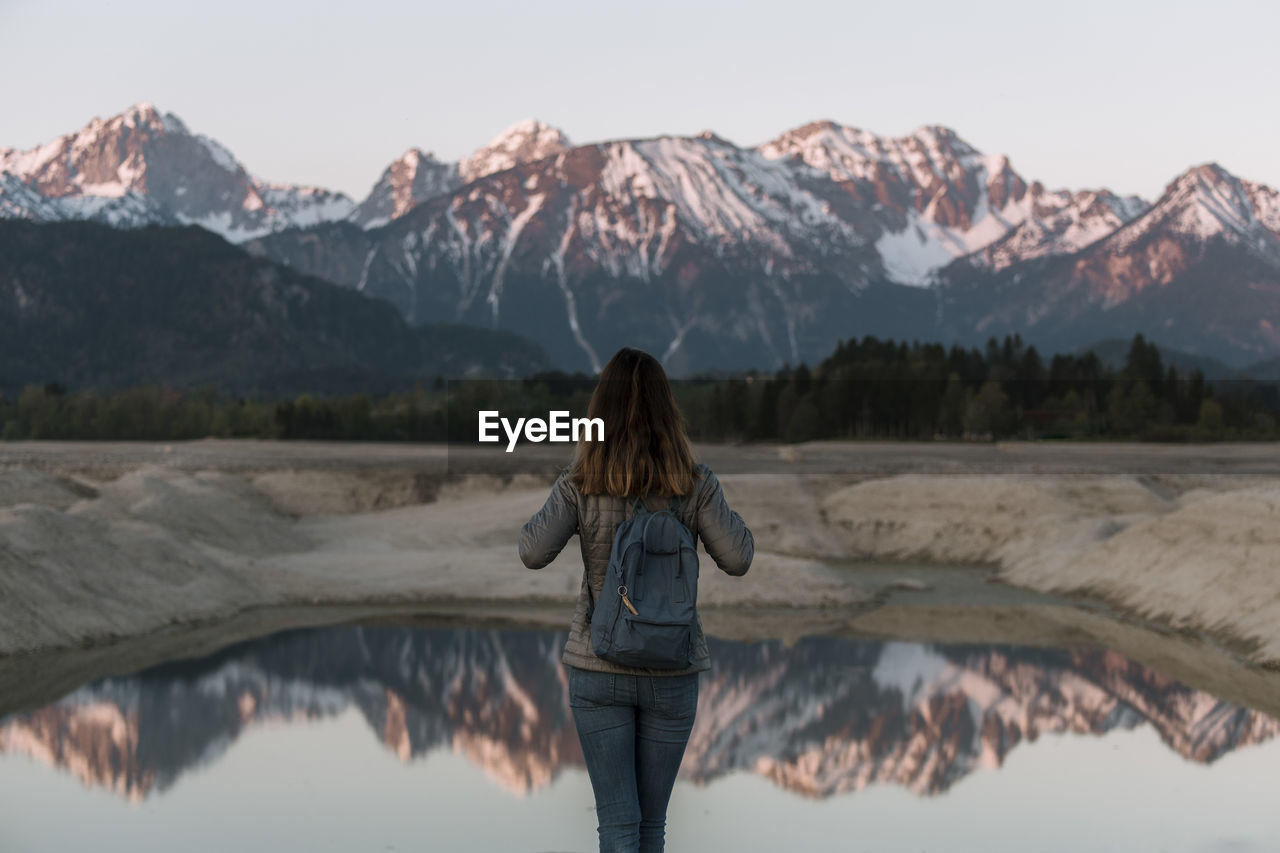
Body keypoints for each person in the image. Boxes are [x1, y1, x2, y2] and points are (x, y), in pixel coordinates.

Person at [519, 346, 754, 853]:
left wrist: (570, 486)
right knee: (652, 828)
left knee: (619, 826)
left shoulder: (580, 481)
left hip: (598, 667)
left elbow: (532, 552)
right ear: (669, 414)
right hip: (672, 670)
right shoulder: (694, 483)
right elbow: (737, 558)